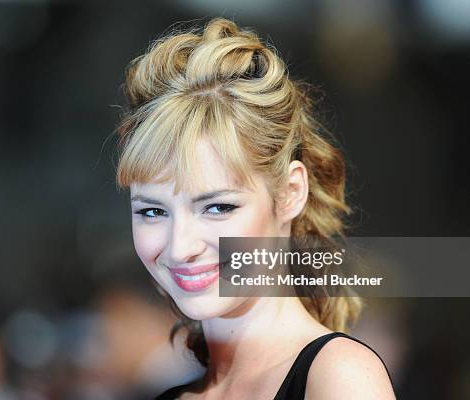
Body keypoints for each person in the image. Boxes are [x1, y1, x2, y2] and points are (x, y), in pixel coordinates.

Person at [113, 17, 396, 400]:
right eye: (153, 212)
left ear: (290, 193)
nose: (180, 247)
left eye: (217, 207)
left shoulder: (339, 377)